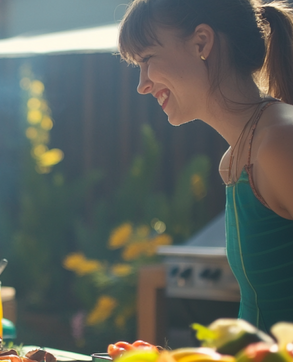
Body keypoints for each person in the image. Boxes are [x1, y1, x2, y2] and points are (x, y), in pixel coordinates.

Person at [118, 0, 293, 333]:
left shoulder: (280, 143)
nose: (142, 84)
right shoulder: (237, 159)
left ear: (201, 43)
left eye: (148, 59)